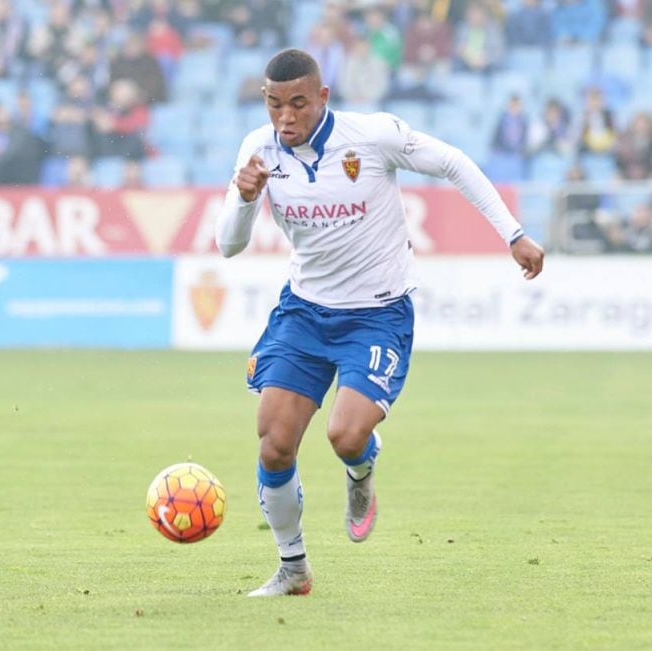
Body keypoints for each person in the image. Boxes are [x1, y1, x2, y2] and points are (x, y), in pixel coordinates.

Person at [215, 49, 544, 598]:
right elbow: (228, 245)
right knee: (274, 444)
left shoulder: (371, 137)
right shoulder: (258, 149)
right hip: (304, 312)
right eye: (275, 105)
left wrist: (512, 233)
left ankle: (361, 467)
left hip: (377, 313)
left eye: (298, 103)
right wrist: (247, 197)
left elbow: (454, 164)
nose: (286, 118)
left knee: (345, 436)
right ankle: (293, 569)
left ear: (323, 97)